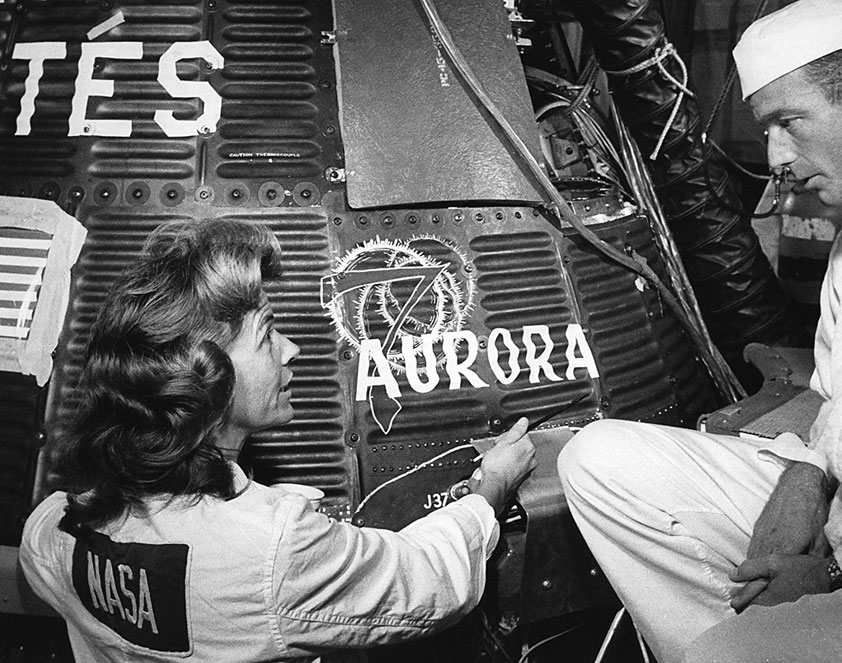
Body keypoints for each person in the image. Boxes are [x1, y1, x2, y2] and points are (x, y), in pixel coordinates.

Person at [558, 0, 842, 661]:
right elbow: (839, 395)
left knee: (731, 656)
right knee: (596, 458)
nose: (776, 157)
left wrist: (833, 575)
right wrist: (806, 476)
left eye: (788, 122)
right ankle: (741, 639)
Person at [18, 218, 537, 662]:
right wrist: (490, 489)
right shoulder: (275, 549)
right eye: (267, 334)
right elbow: (428, 581)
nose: (290, 350)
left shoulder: (53, 529)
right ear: (205, 378)